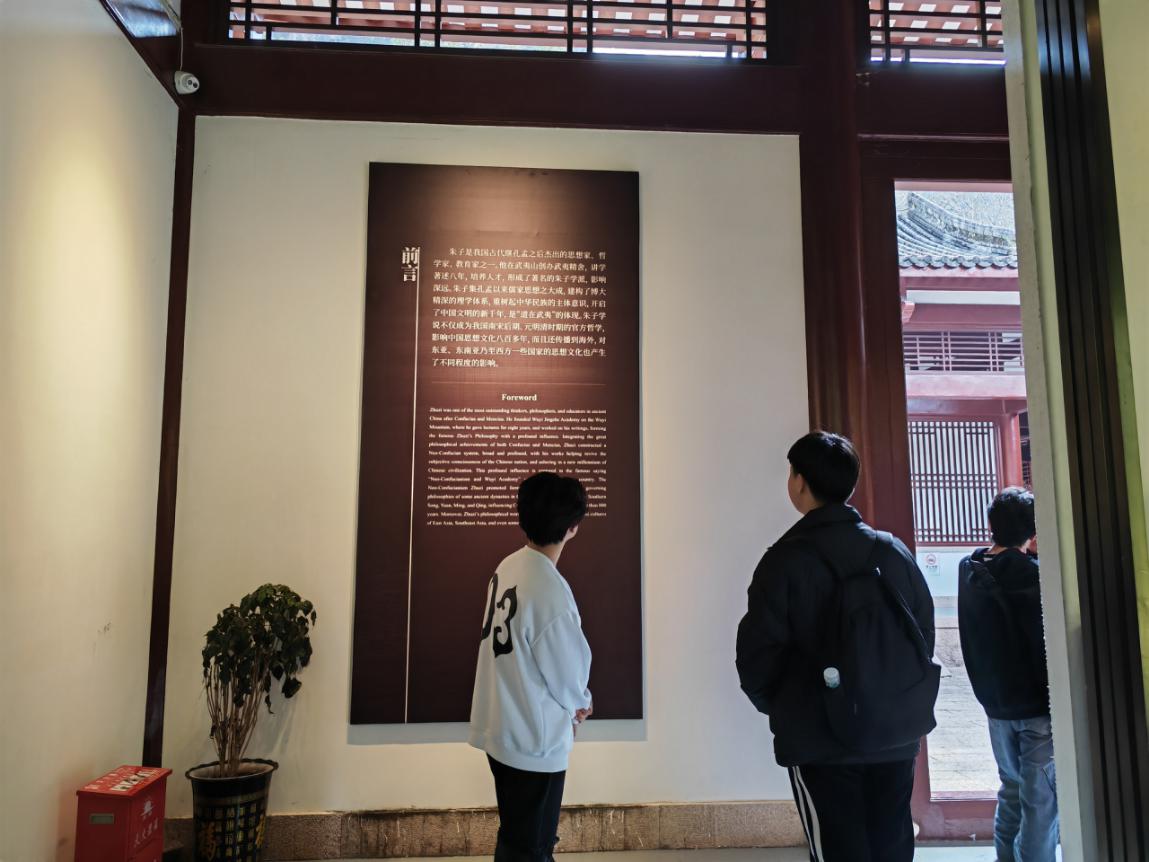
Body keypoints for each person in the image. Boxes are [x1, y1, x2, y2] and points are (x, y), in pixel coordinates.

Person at [736, 431, 937, 862]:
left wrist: (787, 707)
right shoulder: (893, 552)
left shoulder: (783, 561)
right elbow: (922, 636)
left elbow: (757, 655)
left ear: (799, 482)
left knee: (837, 849)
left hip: (818, 737)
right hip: (893, 731)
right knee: (892, 846)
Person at [469, 472, 594, 862]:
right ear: (572, 527)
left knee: (517, 838)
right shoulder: (550, 588)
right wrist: (581, 701)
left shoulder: (508, 566)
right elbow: (568, 671)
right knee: (532, 848)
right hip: (533, 740)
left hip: (502, 728)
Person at [959, 488, 1058, 861]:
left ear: (991, 524)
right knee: (1040, 802)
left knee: (1011, 790)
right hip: (1036, 707)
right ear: (1033, 531)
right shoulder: (1034, 576)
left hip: (995, 704)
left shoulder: (969, 569)